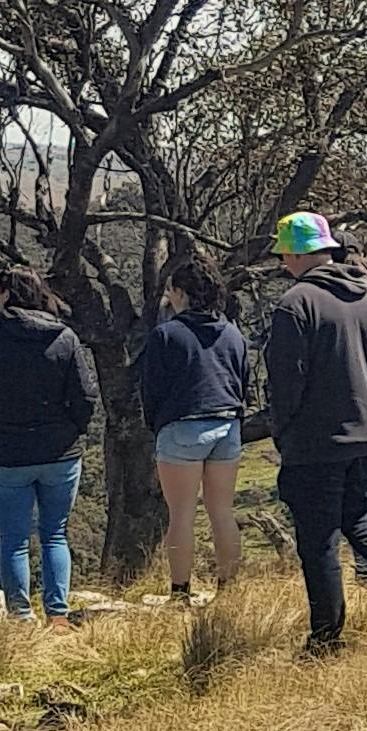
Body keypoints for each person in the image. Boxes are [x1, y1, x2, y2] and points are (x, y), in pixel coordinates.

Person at [259, 210, 367, 654]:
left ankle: (326, 639)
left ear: (297, 254)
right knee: (356, 511)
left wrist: (285, 429)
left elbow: (285, 381)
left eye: (284, 254)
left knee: (319, 543)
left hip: (317, 441)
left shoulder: (296, 304)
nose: (282, 263)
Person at [0, 267, 97, 625]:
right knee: (55, 535)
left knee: (14, 540)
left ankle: (20, 616)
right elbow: (85, 395)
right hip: (60, 453)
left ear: (6, 293)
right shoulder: (64, 338)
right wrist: (74, 430)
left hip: (9, 454)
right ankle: (58, 615)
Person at [138, 255, 251, 602]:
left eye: (171, 290)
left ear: (181, 292)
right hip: (227, 424)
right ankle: (228, 591)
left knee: (182, 514)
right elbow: (243, 382)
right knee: (222, 512)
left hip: (182, 427)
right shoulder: (233, 333)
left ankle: (180, 593)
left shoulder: (166, 335)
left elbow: (150, 390)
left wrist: (157, 426)